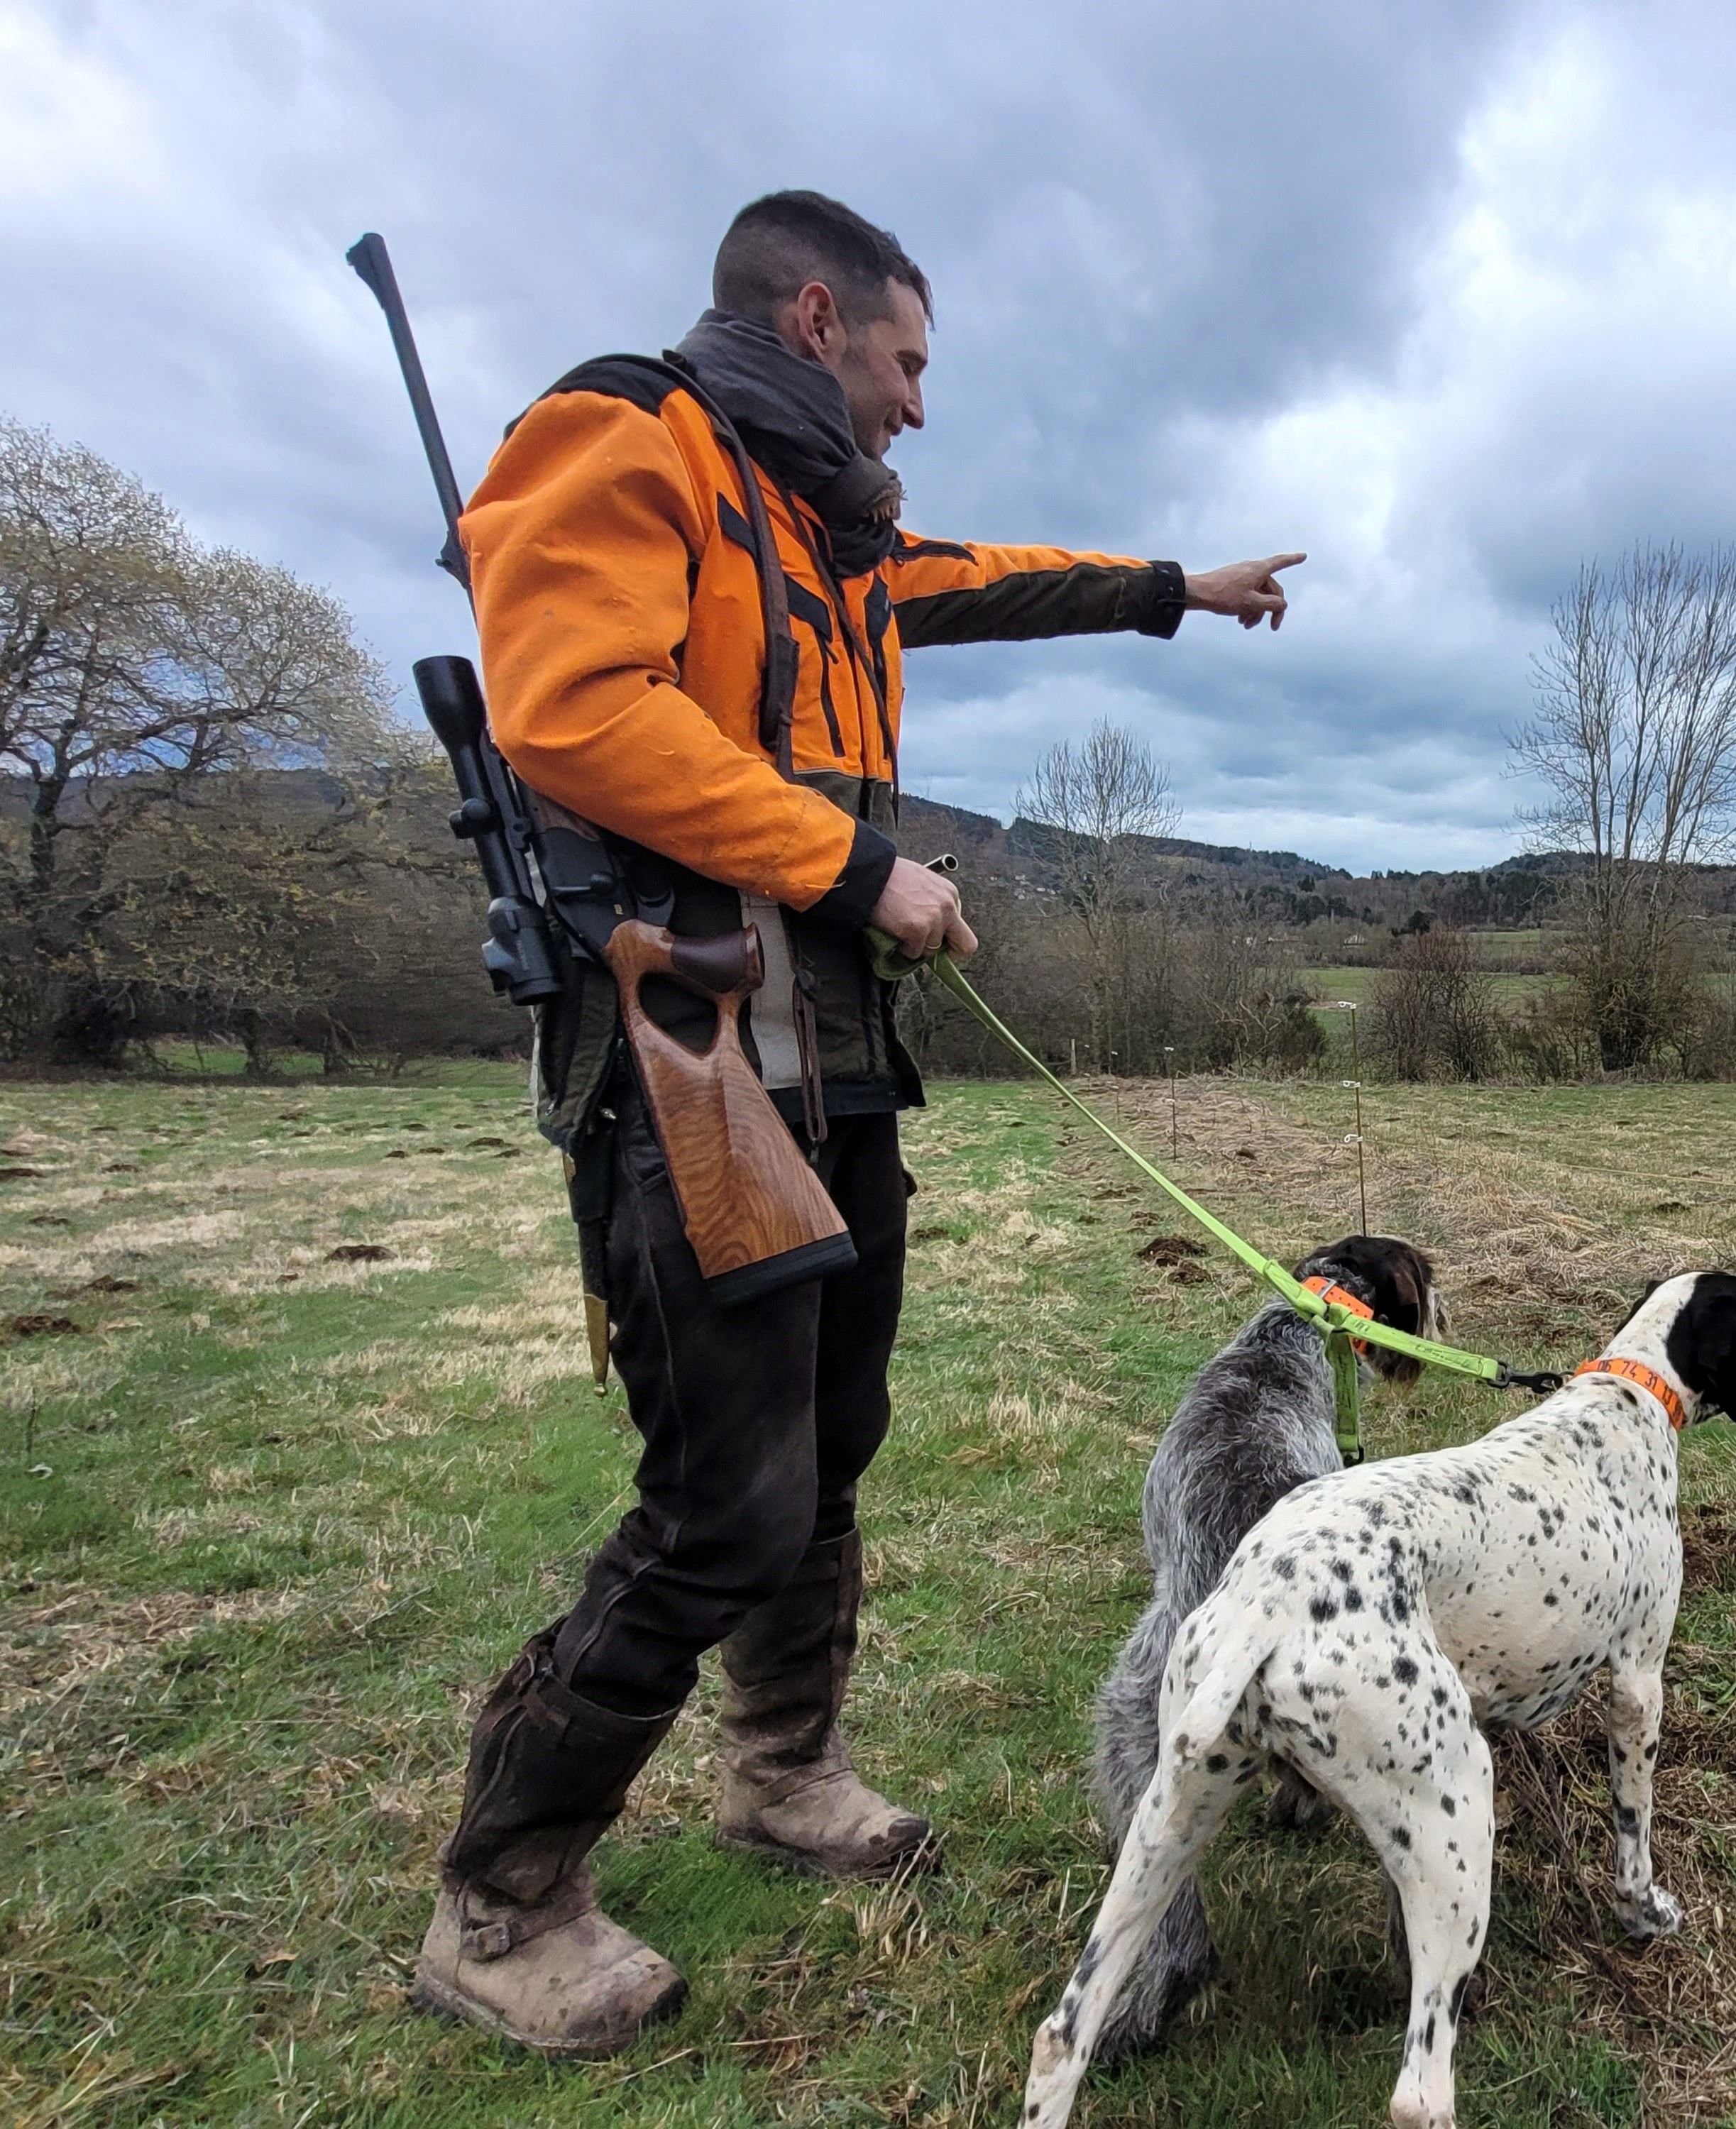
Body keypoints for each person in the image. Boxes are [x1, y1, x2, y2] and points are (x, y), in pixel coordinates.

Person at [411, 188, 1303, 2059]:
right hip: (691, 1056)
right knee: (723, 1497)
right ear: (817, 320)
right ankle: (502, 1900)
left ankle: (782, 1769)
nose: (918, 404)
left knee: (835, 1436)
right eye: (907, 362)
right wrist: (855, 862)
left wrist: (1171, 588)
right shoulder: (623, 437)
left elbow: (989, 577)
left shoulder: (832, 532)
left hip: (835, 1053)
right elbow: (567, 706)